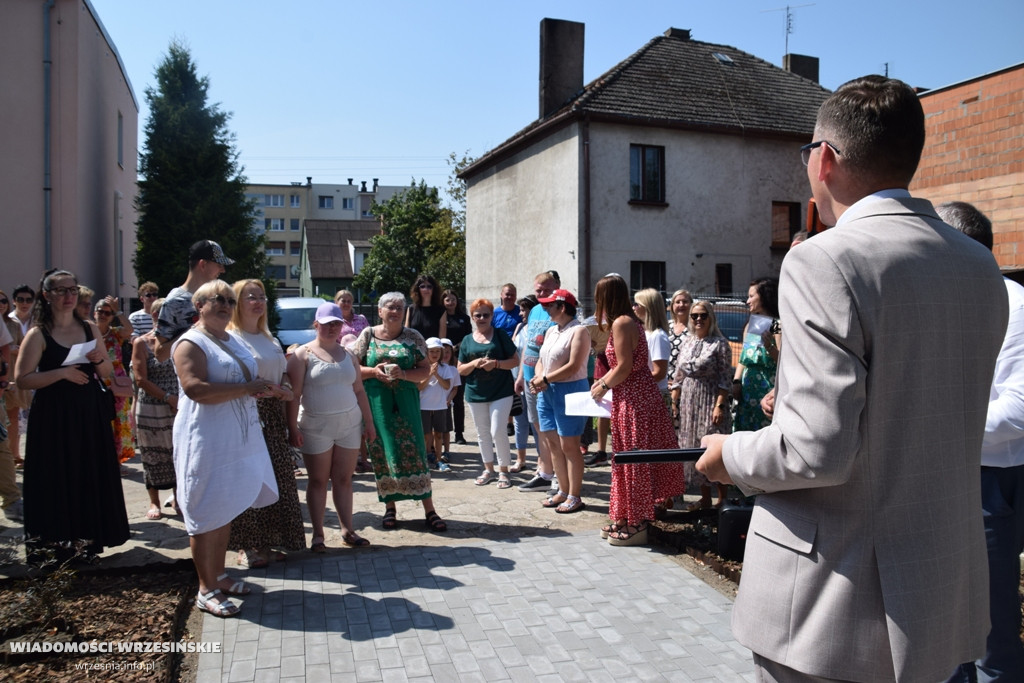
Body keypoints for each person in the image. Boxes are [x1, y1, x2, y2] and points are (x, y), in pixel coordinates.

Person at [696, 75, 1008, 682]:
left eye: (808, 149)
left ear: (827, 159)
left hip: (835, 602)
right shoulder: (978, 265)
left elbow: (816, 450)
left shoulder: (824, 259)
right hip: (941, 589)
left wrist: (728, 454)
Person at [938, 201, 1024, 683]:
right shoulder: (943, 301)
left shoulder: (1015, 305)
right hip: (940, 474)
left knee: (991, 633)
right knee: (945, 629)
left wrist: (932, 427)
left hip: (990, 482)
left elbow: (1019, 409)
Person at [172, 279, 279, 618]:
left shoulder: (230, 339)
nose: (223, 304)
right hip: (206, 439)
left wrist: (260, 389)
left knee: (225, 506)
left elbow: (240, 383)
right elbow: (195, 389)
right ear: (198, 306)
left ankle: (218, 575)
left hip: (237, 438)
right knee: (205, 512)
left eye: (228, 300)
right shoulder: (191, 342)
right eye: (214, 299)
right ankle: (205, 590)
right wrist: (247, 387)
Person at [14, 269, 129, 563]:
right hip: (53, 417)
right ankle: (55, 547)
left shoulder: (90, 328)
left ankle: (87, 543)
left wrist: (99, 359)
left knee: (87, 473)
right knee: (55, 477)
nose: (68, 296)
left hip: (88, 414)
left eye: (72, 290)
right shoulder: (38, 333)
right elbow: (23, 379)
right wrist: (61, 373)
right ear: (47, 295)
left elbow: (106, 374)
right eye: (61, 291)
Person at [590, 275, 683, 546]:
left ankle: (638, 521)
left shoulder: (621, 323)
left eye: (599, 296)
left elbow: (624, 367)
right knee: (625, 460)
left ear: (608, 297)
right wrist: (605, 383)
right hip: (633, 397)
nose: (597, 302)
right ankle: (623, 515)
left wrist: (603, 385)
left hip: (634, 400)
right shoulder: (627, 321)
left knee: (633, 461)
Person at [353, 292, 447, 532]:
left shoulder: (413, 337)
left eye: (398, 307)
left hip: (406, 404)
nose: (393, 311)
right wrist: (374, 372)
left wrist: (404, 375)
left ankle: (429, 509)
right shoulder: (368, 335)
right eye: (389, 307)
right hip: (377, 404)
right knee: (383, 452)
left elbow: (425, 370)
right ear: (380, 310)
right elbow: (352, 368)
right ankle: (390, 508)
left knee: (415, 450)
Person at [228, 279, 306, 565]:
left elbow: (282, 372)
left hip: (273, 414)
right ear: (238, 302)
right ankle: (246, 546)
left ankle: (268, 542)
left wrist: (285, 388)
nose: (258, 302)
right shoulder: (230, 338)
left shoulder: (270, 338)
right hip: (246, 415)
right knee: (249, 477)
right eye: (251, 297)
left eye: (262, 297)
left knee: (275, 478)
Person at [288, 302, 375, 551]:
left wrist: (368, 423)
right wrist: (292, 428)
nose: (332, 328)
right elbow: (294, 395)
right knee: (317, 480)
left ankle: (348, 529)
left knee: (344, 479)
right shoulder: (302, 355)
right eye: (326, 324)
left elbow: (359, 391)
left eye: (336, 323)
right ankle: (318, 535)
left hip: (348, 426)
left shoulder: (348, 355)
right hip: (316, 427)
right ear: (316, 325)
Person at [529, 289, 591, 513]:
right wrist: (539, 377)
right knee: (553, 443)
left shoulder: (579, 331)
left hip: (571, 391)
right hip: (547, 392)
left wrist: (544, 378)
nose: (545, 309)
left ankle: (575, 495)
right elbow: (541, 359)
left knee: (570, 446)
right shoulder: (551, 331)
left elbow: (574, 366)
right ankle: (563, 491)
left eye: (549, 305)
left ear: (563, 307)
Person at [670, 301, 732, 510]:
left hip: (710, 398)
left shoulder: (719, 343)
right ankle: (705, 498)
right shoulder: (687, 342)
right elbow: (679, 375)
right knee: (694, 446)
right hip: (689, 401)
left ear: (710, 317)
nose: (698, 319)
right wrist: (675, 401)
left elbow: (725, 378)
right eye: (695, 315)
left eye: (703, 315)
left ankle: (722, 498)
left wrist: (719, 406)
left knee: (712, 447)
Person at [458, 299, 519, 489]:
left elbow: (515, 360)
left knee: (497, 430)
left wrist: (497, 364)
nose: (482, 318)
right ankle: (488, 469)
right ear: (472, 317)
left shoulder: (500, 335)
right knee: (482, 433)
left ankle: (504, 470)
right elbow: (460, 369)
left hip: (501, 391)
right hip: (475, 393)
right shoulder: (467, 340)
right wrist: (474, 364)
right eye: (478, 315)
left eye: (486, 314)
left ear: (492, 316)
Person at [131, 298, 178, 520]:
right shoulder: (142, 343)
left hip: (179, 408)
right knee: (152, 456)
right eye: (160, 315)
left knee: (179, 454)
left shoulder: (180, 341)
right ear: (153, 316)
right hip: (152, 407)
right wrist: (168, 398)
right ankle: (154, 501)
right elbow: (140, 379)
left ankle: (179, 498)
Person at [515, 271, 560, 492]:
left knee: (552, 428)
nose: (541, 294)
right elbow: (528, 345)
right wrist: (521, 376)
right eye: (538, 290)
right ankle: (545, 472)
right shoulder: (533, 311)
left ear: (557, 287)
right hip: (529, 376)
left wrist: (545, 376)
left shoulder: (560, 310)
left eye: (546, 290)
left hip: (549, 379)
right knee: (537, 426)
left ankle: (559, 475)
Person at [155, 239, 234, 363]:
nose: (223, 270)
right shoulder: (175, 301)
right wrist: (197, 328)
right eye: (219, 264)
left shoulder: (219, 298)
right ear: (202, 264)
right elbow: (160, 353)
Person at [731, 278, 780, 432]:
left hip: (766, 395)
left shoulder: (778, 326)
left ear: (764, 297)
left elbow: (784, 362)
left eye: (752, 296)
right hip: (746, 395)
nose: (747, 301)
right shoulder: (750, 325)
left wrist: (769, 347)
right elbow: (743, 358)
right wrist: (736, 381)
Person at [93, 296, 135, 464]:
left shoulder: (116, 333)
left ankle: (116, 459)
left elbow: (129, 329)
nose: (103, 315)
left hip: (116, 383)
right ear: (94, 313)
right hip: (97, 380)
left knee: (119, 419)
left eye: (108, 313)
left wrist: (118, 310)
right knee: (100, 419)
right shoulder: (87, 332)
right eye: (101, 311)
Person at [333, 289, 371, 473]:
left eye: (349, 300)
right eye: (342, 300)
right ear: (336, 301)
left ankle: (364, 458)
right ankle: (352, 459)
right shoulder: (332, 320)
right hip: (342, 367)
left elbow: (369, 341)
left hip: (362, 366)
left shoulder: (361, 319)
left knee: (362, 415)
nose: (346, 303)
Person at [418, 337, 456, 471]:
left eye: (437, 351)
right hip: (424, 406)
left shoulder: (445, 368)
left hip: (440, 406)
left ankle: (439, 460)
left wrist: (437, 375)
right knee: (425, 434)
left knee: (438, 434)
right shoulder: (421, 368)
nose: (435, 354)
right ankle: (424, 460)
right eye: (431, 351)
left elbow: (447, 386)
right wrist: (429, 374)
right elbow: (419, 387)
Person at [511, 295, 539, 472]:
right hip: (516, 379)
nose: (521, 313)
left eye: (524, 309)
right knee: (519, 420)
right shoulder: (520, 327)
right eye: (520, 309)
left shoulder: (540, 329)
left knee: (535, 422)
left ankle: (541, 460)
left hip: (535, 380)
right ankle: (520, 459)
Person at [1, 289, 29, 468]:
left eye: (3, 301)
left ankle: (13, 455)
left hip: (10, 376)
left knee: (12, 418)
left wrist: (14, 348)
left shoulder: (13, 323)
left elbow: (23, 346)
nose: (1, 304)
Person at [632, 288, 672, 407]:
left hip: (654, 395)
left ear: (647, 307)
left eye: (636, 304)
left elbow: (659, 373)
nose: (633, 308)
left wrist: (633, 382)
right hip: (644, 393)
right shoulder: (644, 333)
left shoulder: (657, 336)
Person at [440, 289, 471, 444]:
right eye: (447, 300)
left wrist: (454, 349)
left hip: (458, 360)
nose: (450, 302)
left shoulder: (464, 318)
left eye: (453, 299)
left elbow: (468, 338)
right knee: (441, 397)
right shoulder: (440, 317)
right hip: (441, 360)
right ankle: (441, 431)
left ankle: (459, 433)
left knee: (458, 398)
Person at [666, 289, 693, 428]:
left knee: (682, 425)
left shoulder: (695, 328)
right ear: (672, 305)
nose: (681, 305)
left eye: (685, 301)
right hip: (665, 384)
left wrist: (677, 382)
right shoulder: (666, 326)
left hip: (685, 384)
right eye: (678, 302)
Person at [404, 274, 447, 341]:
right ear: (418, 289)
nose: (426, 289)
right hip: (414, 349)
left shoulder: (441, 310)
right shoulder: (411, 308)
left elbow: (442, 339)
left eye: (429, 286)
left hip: (433, 350)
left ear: (434, 289)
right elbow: (407, 333)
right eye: (422, 286)